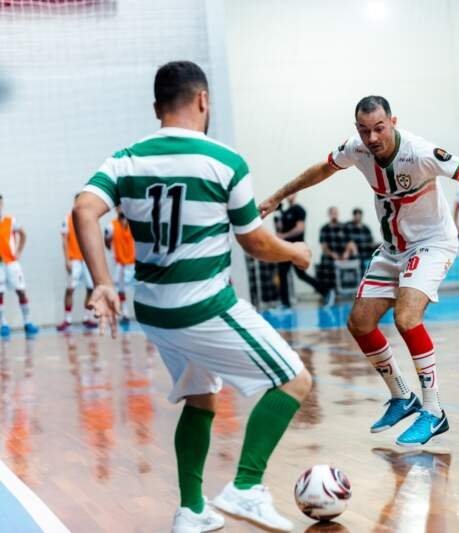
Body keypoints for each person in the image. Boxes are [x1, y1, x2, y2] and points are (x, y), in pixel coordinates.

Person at [73, 60, 313, 533]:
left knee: (201, 398)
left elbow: (83, 209)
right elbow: (256, 243)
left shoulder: (125, 158)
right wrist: (296, 253)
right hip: (201, 305)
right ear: (203, 100)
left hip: (152, 310)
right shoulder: (225, 161)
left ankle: (191, 510)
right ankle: (246, 489)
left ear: (157, 107)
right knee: (294, 380)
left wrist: (102, 282)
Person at [259, 95, 459, 446]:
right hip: (392, 248)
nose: (372, 138)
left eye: (379, 129)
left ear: (393, 122)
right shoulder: (358, 149)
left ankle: (433, 411)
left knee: (407, 317)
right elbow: (322, 169)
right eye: (365, 131)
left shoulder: (421, 152)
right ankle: (402, 396)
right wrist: (277, 196)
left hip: (432, 243)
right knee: (359, 323)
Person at [274, 193, 323, 308]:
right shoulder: (284, 213)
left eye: (292, 194)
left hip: (297, 248)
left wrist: (284, 235)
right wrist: (277, 216)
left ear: (295, 195)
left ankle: (325, 291)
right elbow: (279, 230)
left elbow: (300, 229)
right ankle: (285, 303)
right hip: (285, 248)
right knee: (282, 273)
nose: (289, 196)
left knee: (301, 275)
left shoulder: (299, 209)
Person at [0, 194, 38, 337]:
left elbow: (23, 234)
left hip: (12, 263)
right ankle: (3, 324)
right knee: (0, 294)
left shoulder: (10, 221)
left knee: (21, 291)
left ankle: (27, 322)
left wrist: (19, 251)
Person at [57, 195, 97, 332]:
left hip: (86, 260)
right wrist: (67, 259)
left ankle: (87, 318)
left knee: (91, 289)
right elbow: (64, 240)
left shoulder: (89, 218)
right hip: (74, 259)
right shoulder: (68, 219)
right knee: (70, 289)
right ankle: (67, 320)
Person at [104, 208, 135, 325]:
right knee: (120, 290)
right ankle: (125, 313)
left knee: (142, 290)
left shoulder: (135, 224)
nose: (121, 208)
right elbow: (106, 241)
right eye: (118, 206)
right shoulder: (111, 226)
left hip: (134, 264)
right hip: (120, 264)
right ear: (116, 209)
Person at [318, 206, 353, 307]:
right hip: (331, 257)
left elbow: (350, 243)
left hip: (343, 256)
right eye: (332, 213)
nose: (334, 215)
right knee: (325, 264)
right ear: (329, 214)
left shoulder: (344, 227)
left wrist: (346, 253)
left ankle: (352, 293)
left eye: (336, 213)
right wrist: (333, 255)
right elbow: (324, 247)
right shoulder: (324, 229)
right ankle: (330, 292)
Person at [344, 207, 378, 274]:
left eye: (359, 215)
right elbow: (347, 241)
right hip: (355, 254)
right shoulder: (348, 226)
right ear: (353, 216)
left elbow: (371, 241)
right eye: (356, 215)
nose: (358, 217)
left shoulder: (366, 228)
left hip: (367, 252)